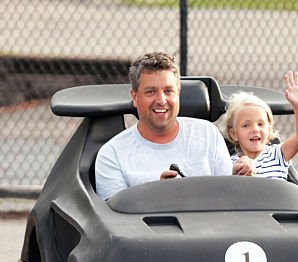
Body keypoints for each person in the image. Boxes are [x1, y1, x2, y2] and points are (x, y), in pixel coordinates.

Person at [95, 52, 253, 200]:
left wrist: (242, 175)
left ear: (178, 93)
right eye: (151, 92)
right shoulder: (112, 154)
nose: (161, 100)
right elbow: (114, 220)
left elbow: (228, 197)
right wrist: (160, 194)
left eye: (168, 91)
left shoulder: (207, 133)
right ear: (135, 97)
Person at [224, 71, 298, 180]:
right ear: (234, 134)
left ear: (269, 129)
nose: (255, 129)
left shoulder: (277, 155)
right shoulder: (230, 164)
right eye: (246, 125)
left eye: (260, 124)